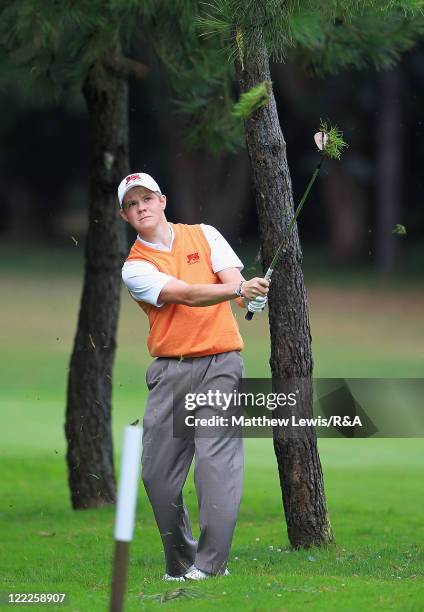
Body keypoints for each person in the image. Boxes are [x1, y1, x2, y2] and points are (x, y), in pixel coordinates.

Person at [118, 172, 269, 581]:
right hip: (170, 374)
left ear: (162, 200)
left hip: (221, 364)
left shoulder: (205, 235)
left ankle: (210, 566)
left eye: (146, 198)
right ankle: (182, 562)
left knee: (214, 464)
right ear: (126, 215)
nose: (141, 207)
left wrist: (250, 292)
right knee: (157, 476)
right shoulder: (135, 267)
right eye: (132, 205)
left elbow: (234, 285)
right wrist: (237, 293)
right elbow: (185, 294)